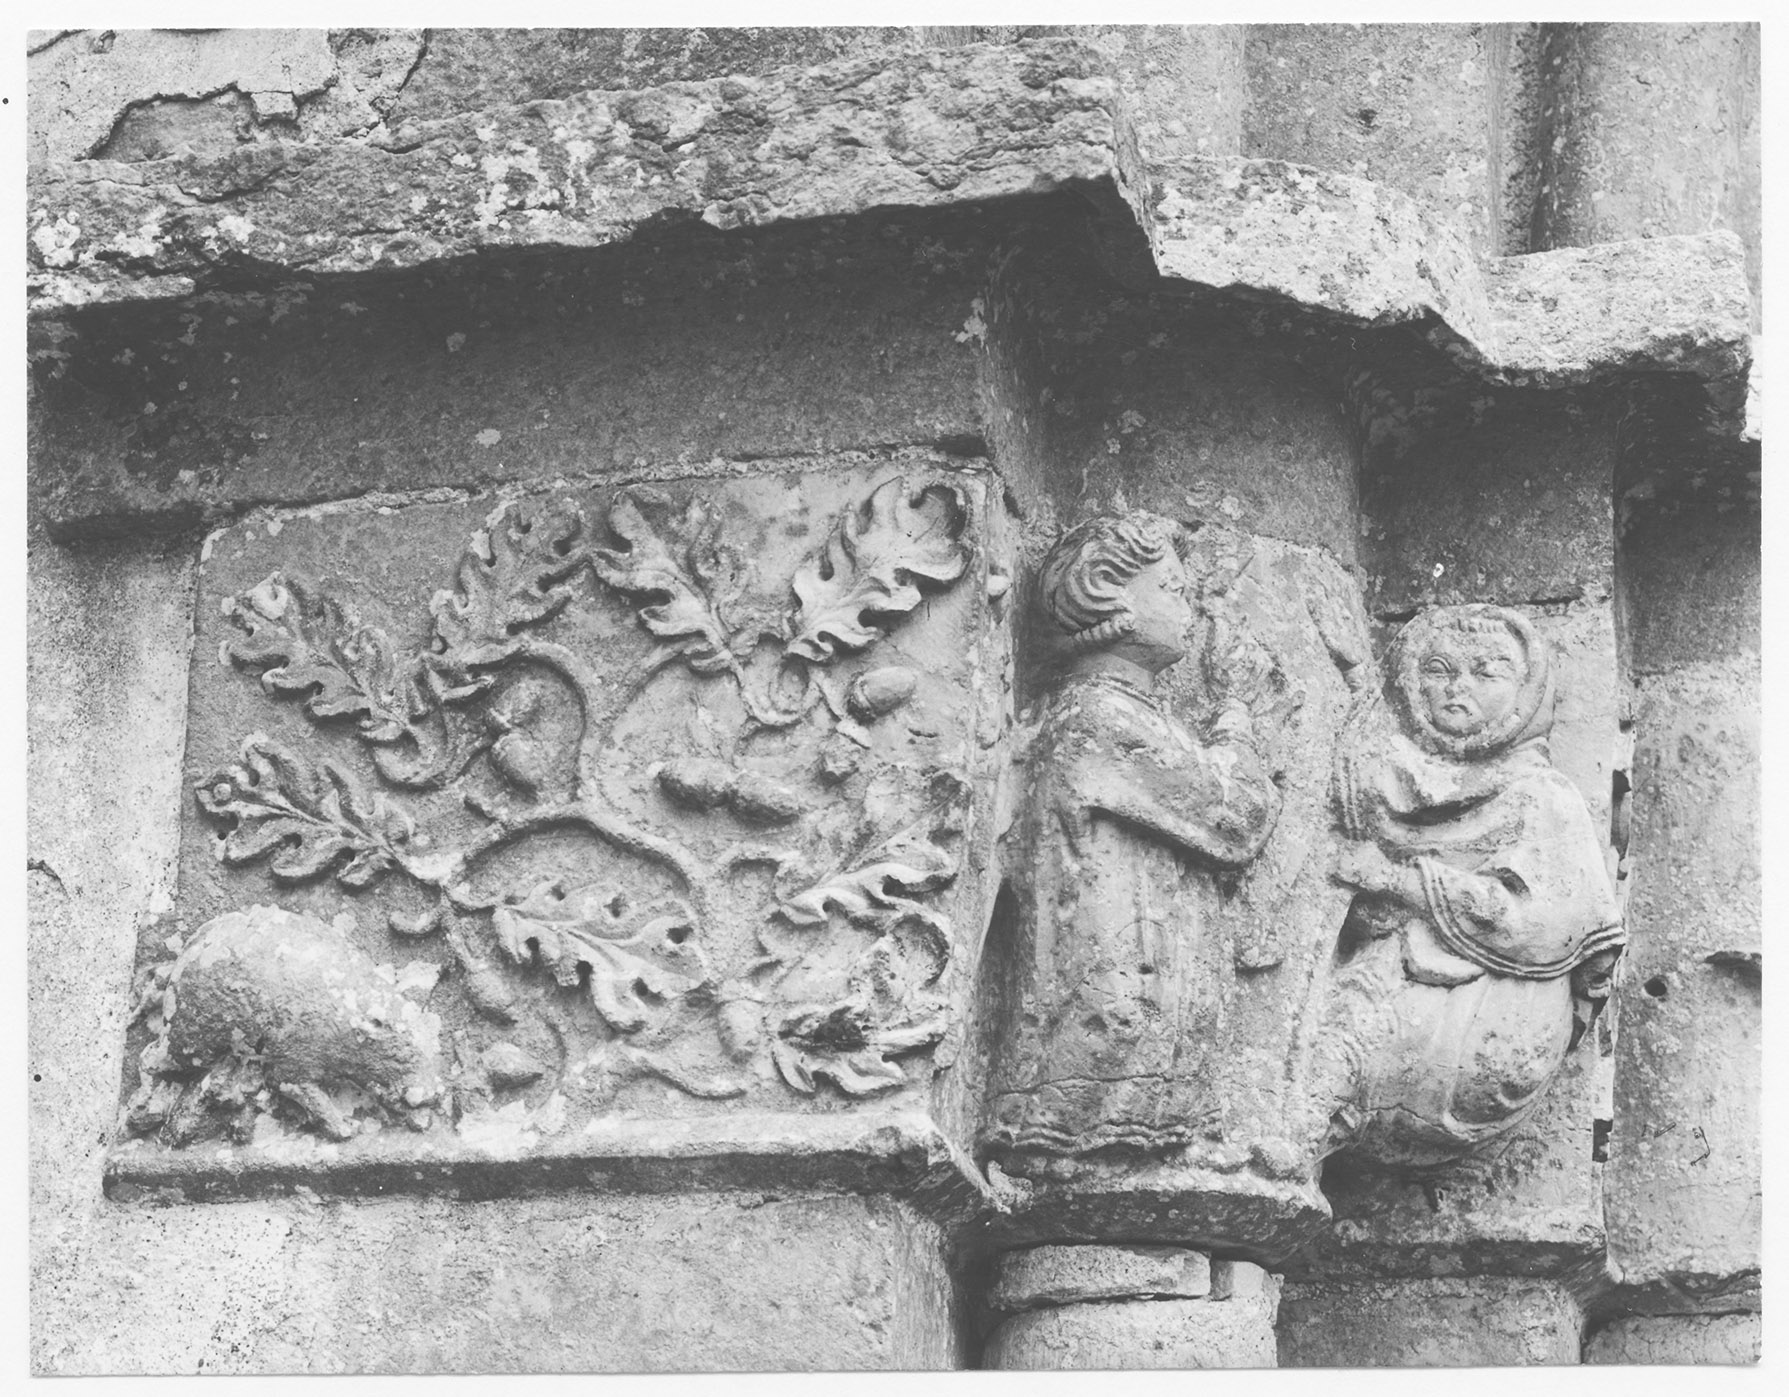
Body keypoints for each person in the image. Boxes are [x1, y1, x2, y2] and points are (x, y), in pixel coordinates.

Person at [982, 512, 1281, 1161]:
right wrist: (1236, 711)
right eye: (1171, 589)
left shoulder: (1128, 715)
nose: (1188, 610)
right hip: (1102, 1041)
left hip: (1139, 1030)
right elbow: (1235, 816)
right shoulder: (1099, 716)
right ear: (1104, 592)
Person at [1319, 604, 1624, 1169]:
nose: (1458, 688)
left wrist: (1397, 880)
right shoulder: (1375, 782)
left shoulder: (1542, 796)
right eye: (1438, 669)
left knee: (1325, 1061)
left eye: (1488, 673)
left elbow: (1544, 924)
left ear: (1527, 691)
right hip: (1392, 998)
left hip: (1483, 1031)